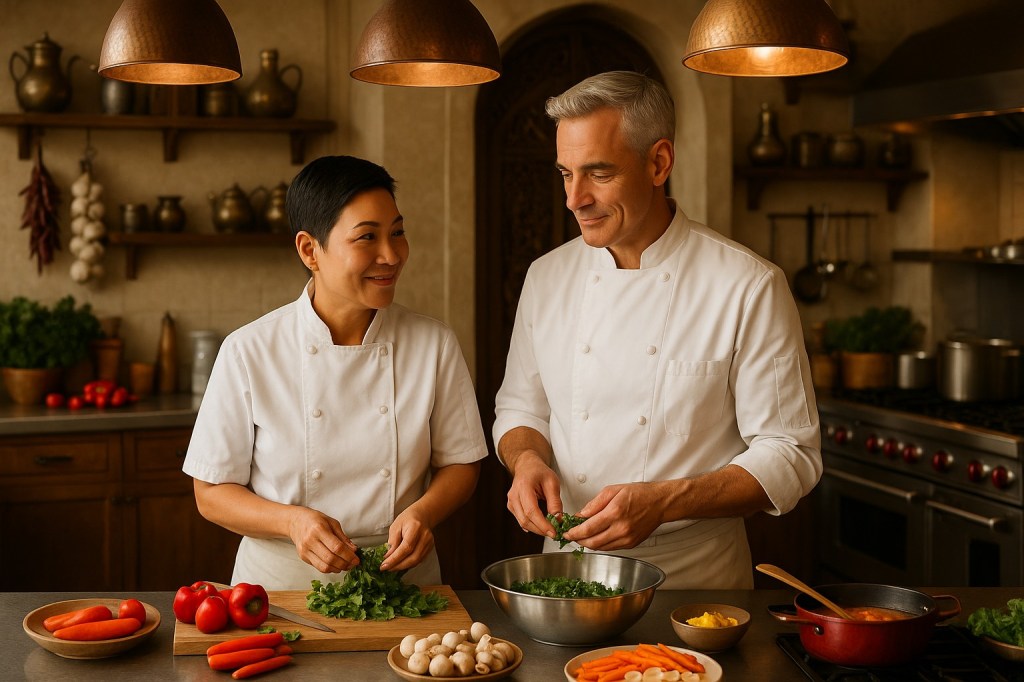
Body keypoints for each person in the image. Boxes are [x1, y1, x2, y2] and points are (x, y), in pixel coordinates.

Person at [493, 71, 822, 589]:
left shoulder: (748, 284)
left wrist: (665, 502)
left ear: (659, 162)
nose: (573, 199)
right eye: (565, 173)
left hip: (694, 582)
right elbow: (520, 408)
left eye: (598, 174)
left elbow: (790, 453)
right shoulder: (546, 276)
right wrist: (526, 459)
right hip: (566, 573)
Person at [183, 155, 487, 590]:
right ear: (310, 250)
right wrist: (293, 522)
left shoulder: (433, 344)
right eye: (367, 238)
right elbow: (210, 493)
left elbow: (460, 463)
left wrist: (423, 513)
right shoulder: (249, 350)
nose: (391, 255)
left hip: (401, 583)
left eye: (397, 233)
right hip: (280, 590)